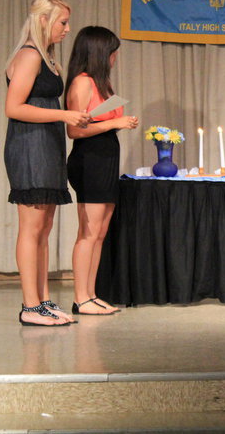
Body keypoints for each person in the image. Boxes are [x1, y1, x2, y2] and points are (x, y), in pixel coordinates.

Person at [5, 0, 90, 326]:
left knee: (43, 228)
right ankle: (29, 306)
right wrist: (64, 114)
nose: (67, 29)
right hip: (30, 146)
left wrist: (69, 117)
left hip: (47, 145)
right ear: (43, 20)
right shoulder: (29, 56)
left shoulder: (47, 57)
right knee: (32, 227)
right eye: (62, 22)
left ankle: (42, 300)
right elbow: (14, 107)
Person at [64, 26, 138, 315]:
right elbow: (74, 130)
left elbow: (101, 122)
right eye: (111, 52)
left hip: (105, 158)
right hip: (90, 160)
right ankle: (80, 298)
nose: (114, 58)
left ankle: (91, 294)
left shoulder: (101, 83)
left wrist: (119, 123)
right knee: (88, 232)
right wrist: (114, 123)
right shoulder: (82, 82)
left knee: (100, 232)